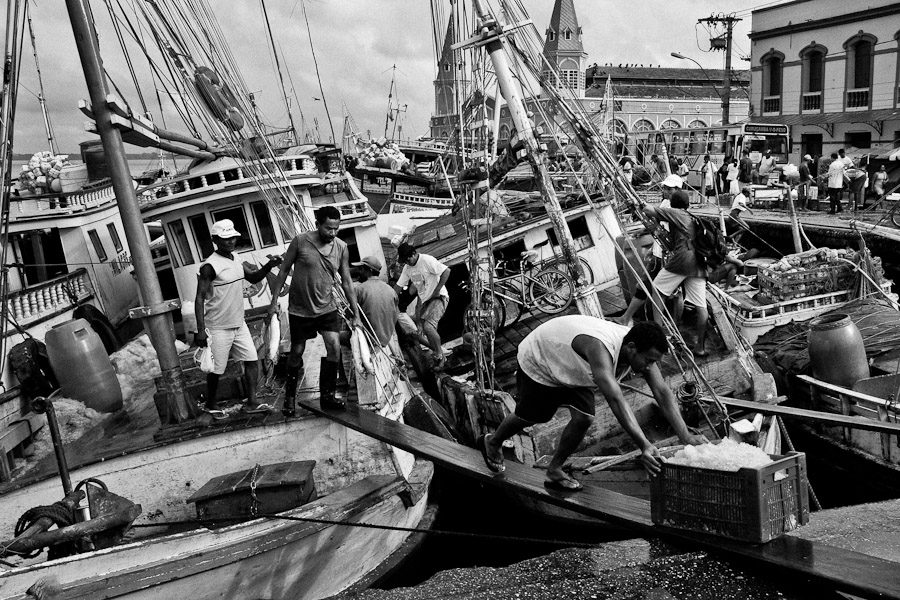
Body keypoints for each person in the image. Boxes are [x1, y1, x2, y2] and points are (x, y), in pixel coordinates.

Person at [478, 317, 707, 488]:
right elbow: (616, 399)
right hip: (541, 359)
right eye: (648, 361)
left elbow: (662, 391)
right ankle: (494, 441)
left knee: (584, 417)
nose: (649, 367)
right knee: (534, 416)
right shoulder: (600, 349)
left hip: (573, 367)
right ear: (631, 348)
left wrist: (685, 436)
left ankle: (555, 468)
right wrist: (645, 445)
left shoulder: (640, 346)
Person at [268, 205, 361, 415]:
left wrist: (356, 315)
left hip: (327, 308)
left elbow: (346, 281)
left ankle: (328, 395)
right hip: (300, 310)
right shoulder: (300, 241)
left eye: (336, 229)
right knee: (297, 352)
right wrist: (274, 301)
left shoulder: (342, 248)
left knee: (335, 347)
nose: (333, 233)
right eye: (328, 228)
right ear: (318, 224)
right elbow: (283, 271)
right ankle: (290, 397)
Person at [195, 219, 282, 415]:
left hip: (238, 323)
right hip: (217, 326)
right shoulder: (209, 266)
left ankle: (252, 401)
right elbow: (199, 298)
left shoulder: (235, 257)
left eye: (233, 238)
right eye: (225, 239)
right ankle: (211, 404)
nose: (230, 242)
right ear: (215, 240)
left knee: (252, 360)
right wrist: (201, 330)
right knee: (216, 369)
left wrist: (270, 264)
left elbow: (253, 277)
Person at [616, 190, 710, 357]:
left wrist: (634, 201)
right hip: (698, 263)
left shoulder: (676, 212)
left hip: (683, 260)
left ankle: (658, 337)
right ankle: (700, 347)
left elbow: (647, 210)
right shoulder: (690, 217)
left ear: (673, 203)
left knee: (657, 291)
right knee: (701, 307)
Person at [394, 243, 450, 369]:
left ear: (413, 254)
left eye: (408, 259)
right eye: (405, 261)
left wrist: (438, 289)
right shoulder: (408, 269)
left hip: (438, 298)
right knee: (423, 330)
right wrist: (388, 299)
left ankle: (440, 355)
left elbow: (446, 271)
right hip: (425, 301)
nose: (407, 262)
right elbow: (399, 287)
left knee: (428, 327)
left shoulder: (426, 260)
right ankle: (439, 353)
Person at [351, 255, 401, 353]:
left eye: (361, 269)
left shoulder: (359, 290)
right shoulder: (391, 290)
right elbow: (396, 315)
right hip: (387, 338)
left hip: (370, 339)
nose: (359, 272)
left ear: (369, 270)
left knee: (336, 337)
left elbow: (350, 316)